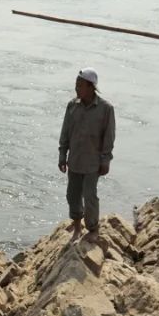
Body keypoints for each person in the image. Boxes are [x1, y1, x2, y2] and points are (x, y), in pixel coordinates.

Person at [58, 67, 116, 243]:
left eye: (80, 85)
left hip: (93, 163)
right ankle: (77, 227)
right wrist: (62, 155)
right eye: (76, 85)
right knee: (72, 195)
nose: (76, 88)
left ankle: (92, 228)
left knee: (90, 196)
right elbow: (65, 132)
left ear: (91, 87)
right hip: (75, 161)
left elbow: (109, 137)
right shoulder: (72, 106)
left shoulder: (106, 109)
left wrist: (106, 160)